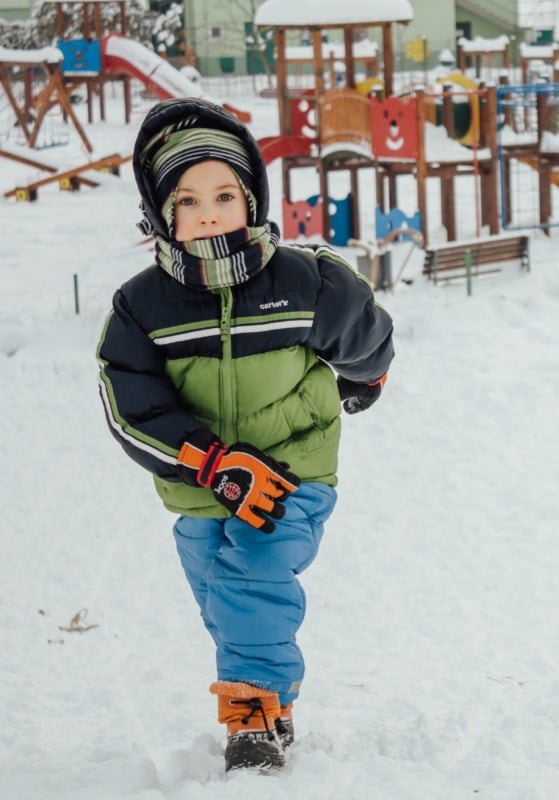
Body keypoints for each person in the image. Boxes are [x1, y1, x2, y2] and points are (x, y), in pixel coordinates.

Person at [96, 98, 394, 771]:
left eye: (225, 193)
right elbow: (129, 405)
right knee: (220, 596)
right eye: (188, 199)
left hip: (293, 475)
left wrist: (363, 378)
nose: (208, 212)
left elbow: (365, 334)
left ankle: (252, 711)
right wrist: (210, 464)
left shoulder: (302, 280)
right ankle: (270, 697)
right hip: (202, 488)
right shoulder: (143, 307)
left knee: (251, 576)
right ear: (162, 215)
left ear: (252, 198)